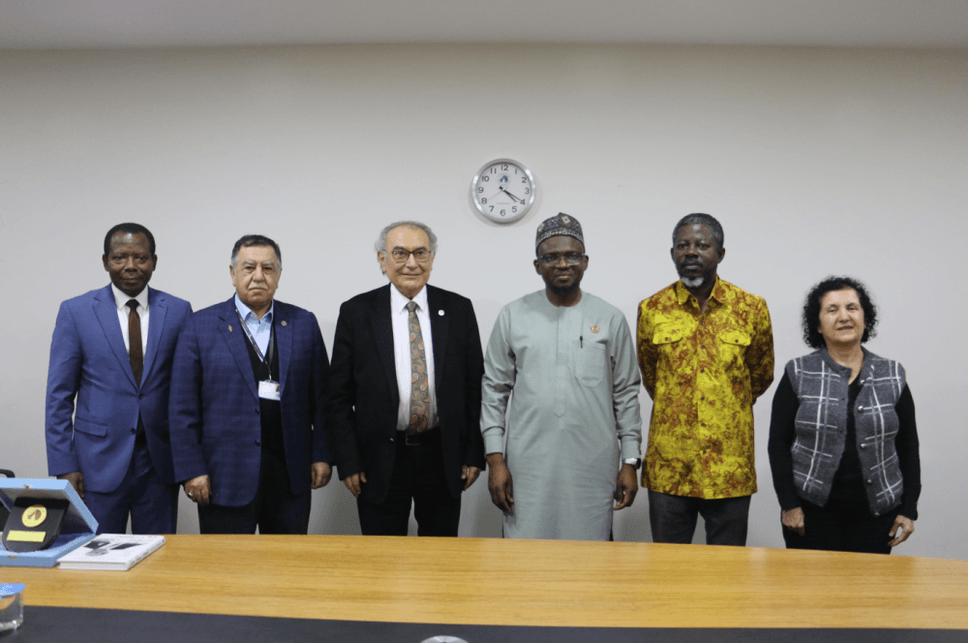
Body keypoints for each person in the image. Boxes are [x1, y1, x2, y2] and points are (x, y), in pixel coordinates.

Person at [481, 213, 642, 540]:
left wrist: (629, 461)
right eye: (551, 257)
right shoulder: (513, 315)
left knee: (589, 557)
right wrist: (495, 460)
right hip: (527, 467)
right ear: (537, 265)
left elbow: (626, 393)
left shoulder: (609, 318)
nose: (563, 264)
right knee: (524, 556)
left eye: (572, 255)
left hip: (592, 467)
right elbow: (493, 391)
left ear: (585, 262)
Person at [326, 221, 484, 537]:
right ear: (382, 259)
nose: (411, 263)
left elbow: (473, 388)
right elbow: (338, 396)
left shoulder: (458, 309)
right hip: (379, 458)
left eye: (420, 253)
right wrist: (348, 460)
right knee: (382, 555)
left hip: (441, 454)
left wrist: (472, 452)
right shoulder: (357, 312)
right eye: (400, 253)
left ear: (432, 258)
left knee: (441, 554)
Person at [168, 235, 331, 534]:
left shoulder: (303, 323)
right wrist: (192, 470)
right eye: (249, 267)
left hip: (290, 474)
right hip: (223, 476)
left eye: (268, 268)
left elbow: (323, 399)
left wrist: (321, 454)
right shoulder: (200, 326)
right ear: (233, 274)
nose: (258, 276)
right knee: (227, 562)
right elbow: (181, 408)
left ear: (278, 275)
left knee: (288, 559)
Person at [46, 223, 192, 534]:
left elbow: (187, 391)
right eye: (120, 257)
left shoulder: (179, 311)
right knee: (93, 554)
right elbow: (59, 396)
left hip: (159, 462)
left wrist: (190, 460)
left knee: (158, 554)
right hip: (95, 462)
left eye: (140, 257)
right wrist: (64, 465)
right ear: (105, 262)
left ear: (154, 261)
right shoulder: (77, 311)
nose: (130, 265)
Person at [637, 213, 774, 546]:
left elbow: (760, 374)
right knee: (667, 568)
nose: (691, 252)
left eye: (702, 245)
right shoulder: (652, 309)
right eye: (682, 245)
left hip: (729, 467)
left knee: (727, 569)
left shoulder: (751, 308)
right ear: (672, 253)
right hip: (670, 467)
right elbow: (652, 376)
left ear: (720, 253)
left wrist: (724, 405)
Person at [768, 277, 920, 554]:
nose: (844, 317)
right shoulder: (798, 372)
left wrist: (909, 508)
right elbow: (778, 444)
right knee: (808, 583)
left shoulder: (892, 374)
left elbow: (908, 445)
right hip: (810, 515)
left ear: (865, 318)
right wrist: (789, 504)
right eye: (832, 309)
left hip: (877, 515)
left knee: (868, 583)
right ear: (818, 325)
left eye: (852, 308)